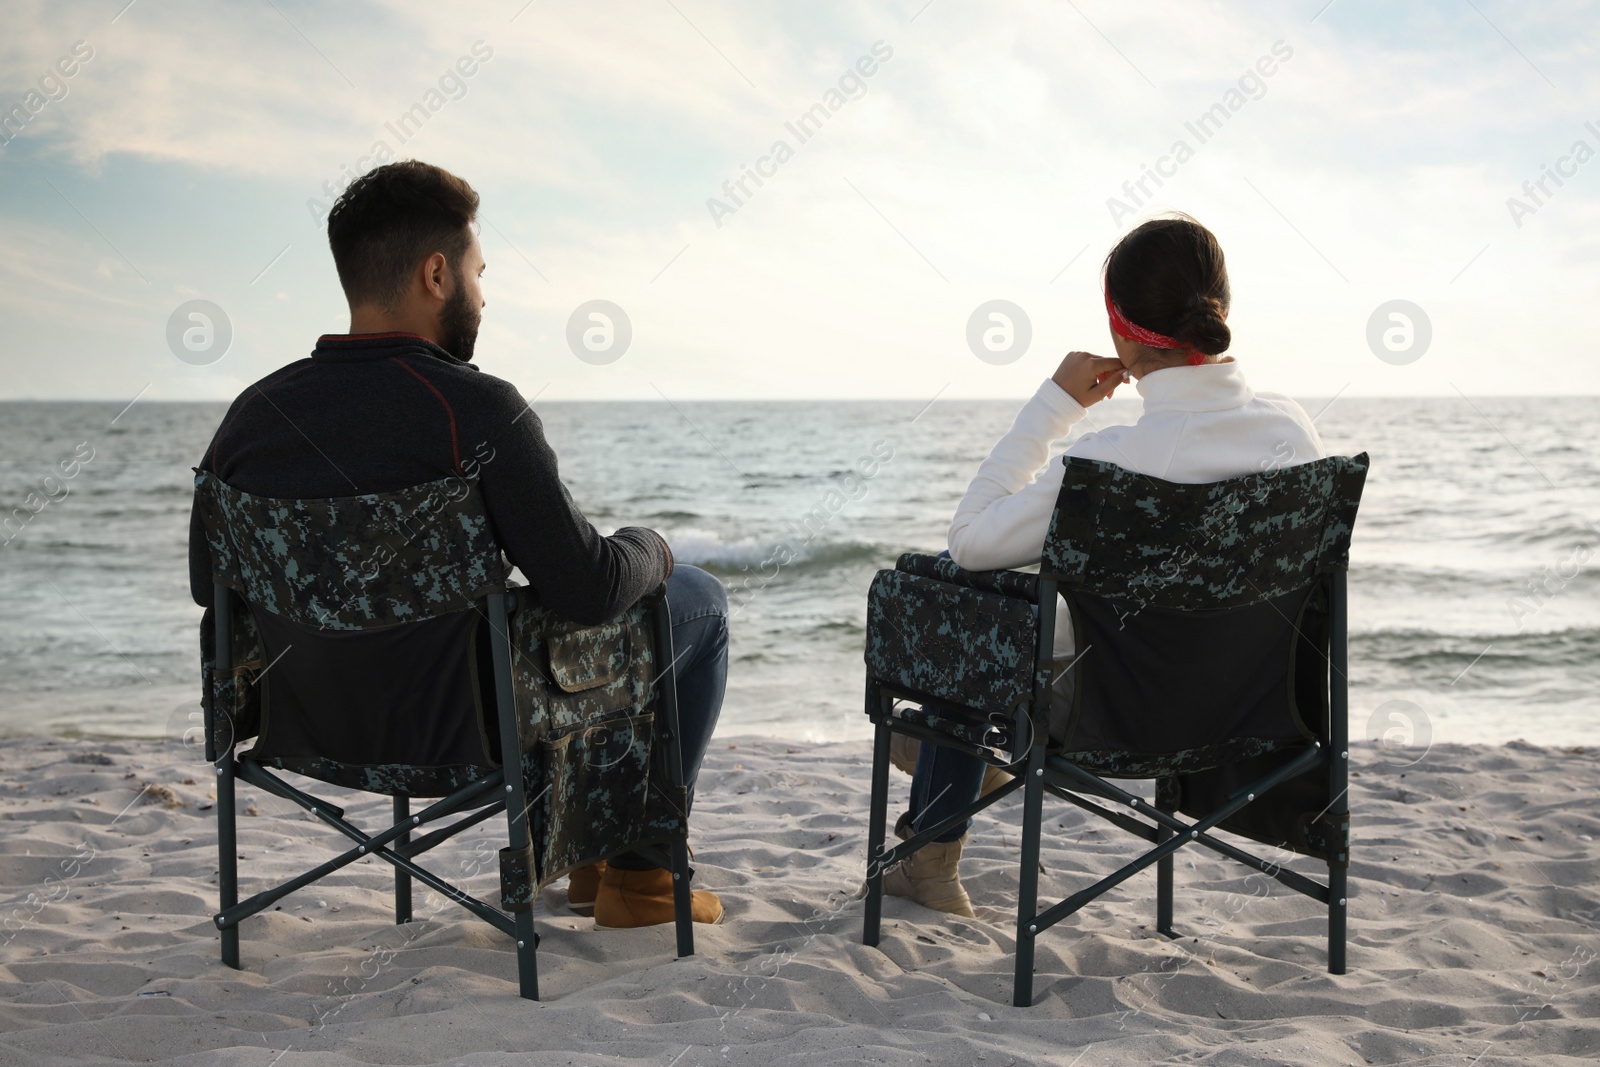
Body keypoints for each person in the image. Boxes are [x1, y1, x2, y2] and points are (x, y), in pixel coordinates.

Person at [187, 160, 726, 928]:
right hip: (468, 738)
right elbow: (586, 587)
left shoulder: (250, 417)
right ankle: (641, 879)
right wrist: (654, 546)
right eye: (479, 271)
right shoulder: (476, 410)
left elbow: (214, 590)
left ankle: (591, 862)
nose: (484, 292)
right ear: (436, 274)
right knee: (693, 601)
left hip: (302, 729)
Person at [883, 213, 1326, 916]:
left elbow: (970, 541)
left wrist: (1053, 404)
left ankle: (934, 837)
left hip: (1112, 721)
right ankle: (957, 763)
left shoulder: (1105, 465)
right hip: (1255, 716)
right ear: (1220, 311)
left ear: (1121, 332)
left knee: (953, 588)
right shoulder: (1292, 432)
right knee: (1010, 612)